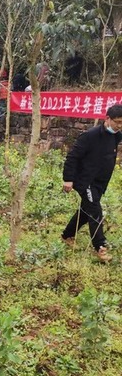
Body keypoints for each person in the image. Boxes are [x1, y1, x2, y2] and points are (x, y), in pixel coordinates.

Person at [61, 104, 122, 262]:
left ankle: (67, 235)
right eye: (117, 122)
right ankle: (100, 247)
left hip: (100, 183)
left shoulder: (116, 135)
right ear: (107, 118)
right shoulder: (90, 135)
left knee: (86, 210)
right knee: (95, 212)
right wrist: (68, 179)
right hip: (86, 181)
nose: (119, 125)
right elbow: (72, 157)